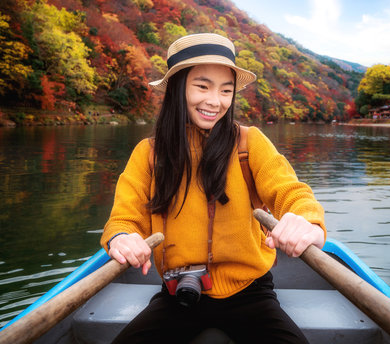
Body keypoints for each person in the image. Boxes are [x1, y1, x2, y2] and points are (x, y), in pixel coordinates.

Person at [100, 33, 326, 344]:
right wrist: (122, 238)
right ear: (178, 88)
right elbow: (124, 219)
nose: (215, 101)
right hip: (176, 291)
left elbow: (293, 193)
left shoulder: (249, 143)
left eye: (226, 90)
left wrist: (307, 222)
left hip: (251, 293)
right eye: (202, 86)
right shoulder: (149, 153)